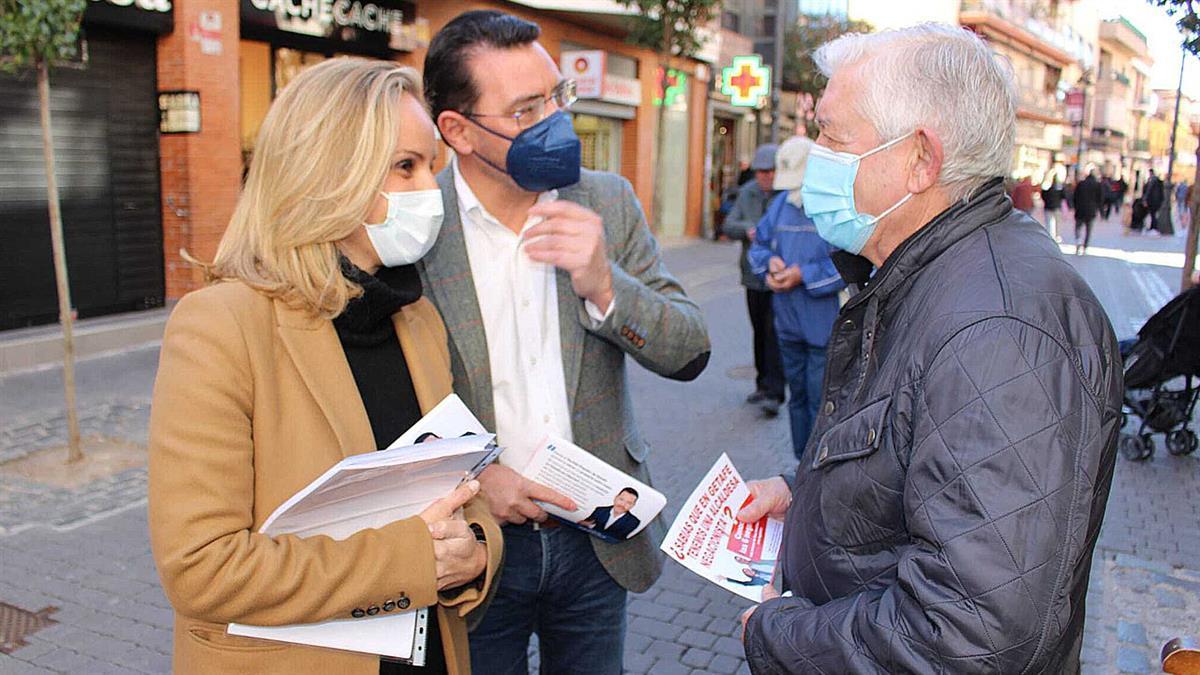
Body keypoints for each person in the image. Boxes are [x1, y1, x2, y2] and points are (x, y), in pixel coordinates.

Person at [736, 25, 1122, 673]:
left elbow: (969, 631)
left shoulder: (997, 329)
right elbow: (920, 461)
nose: (816, 155)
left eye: (832, 135)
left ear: (920, 159)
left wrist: (781, 636)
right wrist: (805, 493)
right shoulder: (930, 273)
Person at [147, 58, 502, 675]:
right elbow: (202, 569)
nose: (429, 189)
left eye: (432, 167)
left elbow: (464, 495)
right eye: (405, 166)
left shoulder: (416, 321)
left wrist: (475, 552)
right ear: (329, 173)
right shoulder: (222, 325)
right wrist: (416, 561)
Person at [420, 11, 711, 675]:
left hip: (596, 537)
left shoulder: (606, 201)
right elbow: (392, 393)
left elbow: (690, 349)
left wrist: (606, 284)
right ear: (458, 131)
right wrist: (470, 475)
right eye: (527, 109)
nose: (555, 120)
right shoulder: (419, 222)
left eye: (557, 96)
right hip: (478, 541)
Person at [748, 137, 845, 460]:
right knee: (798, 396)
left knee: (819, 399)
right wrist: (769, 266)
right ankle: (799, 464)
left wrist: (802, 274)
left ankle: (816, 465)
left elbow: (848, 267)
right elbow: (759, 246)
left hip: (822, 324)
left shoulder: (834, 207)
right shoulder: (781, 205)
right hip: (787, 321)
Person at [722, 143, 786, 416]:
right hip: (752, 277)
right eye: (761, 173)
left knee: (774, 333)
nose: (765, 177)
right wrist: (747, 230)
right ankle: (762, 384)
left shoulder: (786, 196)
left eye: (770, 172)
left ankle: (775, 391)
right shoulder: (747, 193)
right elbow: (728, 225)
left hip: (779, 277)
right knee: (759, 331)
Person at [1072, 170, 1103, 254]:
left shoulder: (1081, 184)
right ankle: (1085, 247)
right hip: (1091, 211)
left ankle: (1078, 242)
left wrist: (1075, 207)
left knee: (1078, 227)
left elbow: (1075, 197)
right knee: (1088, 230)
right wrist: (1101, 212)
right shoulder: (1097, 185)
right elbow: (1100, 199)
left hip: (1080, 210)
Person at [1040, 175, 1064, 240]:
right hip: (1057, 207)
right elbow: (1063, 196)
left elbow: (1043, 196)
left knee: (1048, 222)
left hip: (1048, 207)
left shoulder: (1046, 189)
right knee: (1057, 222)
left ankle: (1049, 235)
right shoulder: (1059, 189)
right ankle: (1057, 235)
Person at [1144, 168, 1167, 234]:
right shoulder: (1158, 181)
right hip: (1157, 201)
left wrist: (1145, 199)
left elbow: (1149, 191)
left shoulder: (1152, 181)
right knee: (1153, 214)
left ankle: (1154, 227)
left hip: (1152, 201)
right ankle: (1153, 227)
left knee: (1153, 214)